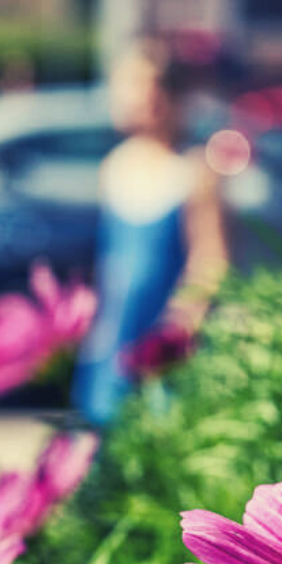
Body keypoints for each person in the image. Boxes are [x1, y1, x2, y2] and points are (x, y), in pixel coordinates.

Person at [71, 40, 230, 427]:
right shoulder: (115, 166)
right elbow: (107, 262)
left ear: (168, 96)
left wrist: (182, 327)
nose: (130, 97)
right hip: (114, 336)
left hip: (161, 342)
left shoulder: (193, 172)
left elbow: (210, 262)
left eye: (141, 86)